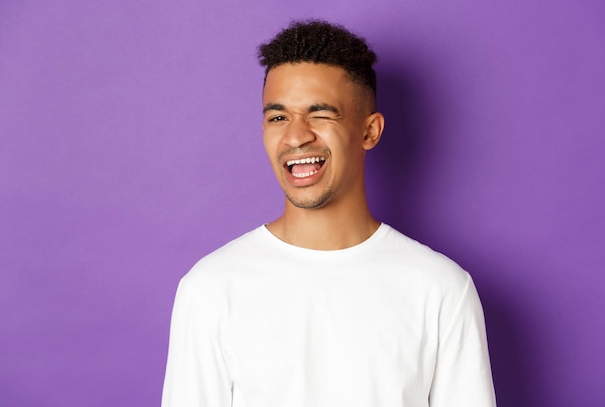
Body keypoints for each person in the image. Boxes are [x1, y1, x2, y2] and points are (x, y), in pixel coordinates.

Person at [161, 20, 497, 407]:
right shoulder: (211, 289)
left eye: (320, 114)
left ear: (370, 131)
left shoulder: (441, 290)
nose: (296, 135)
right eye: (278, 117)